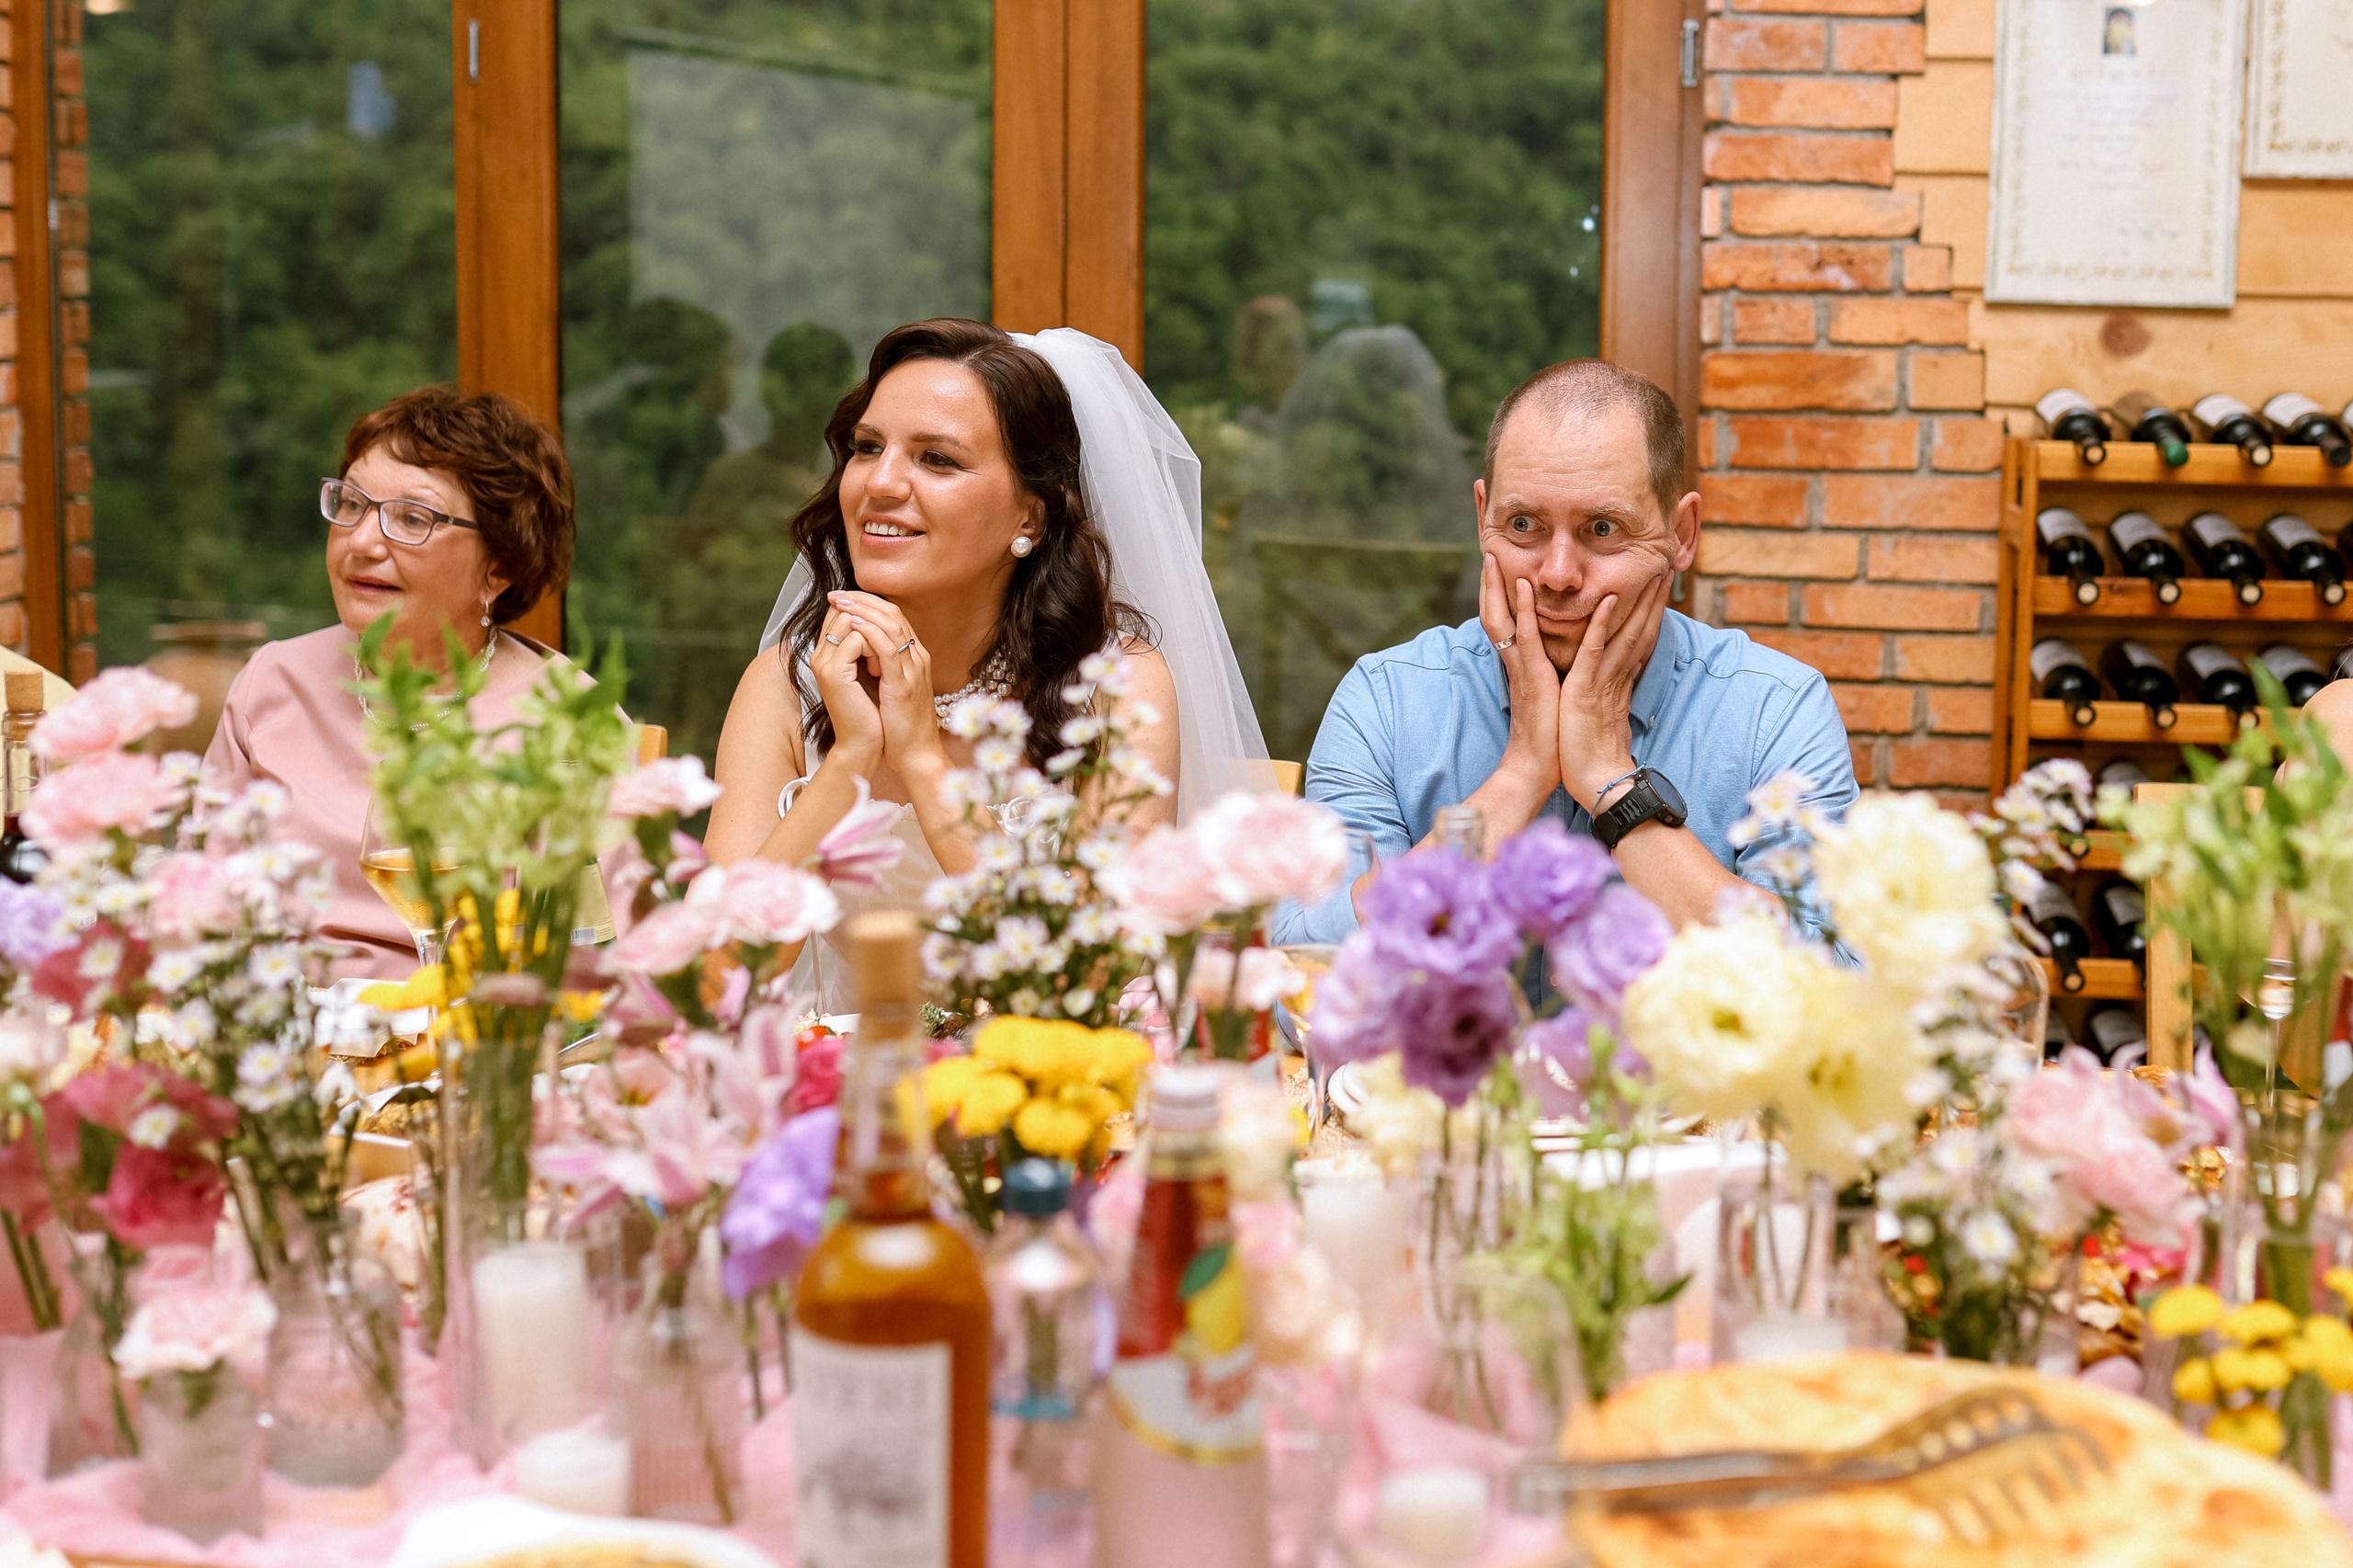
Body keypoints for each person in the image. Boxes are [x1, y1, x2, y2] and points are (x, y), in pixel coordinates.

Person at [707, 319, 1268, 1008]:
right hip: (838, 1089)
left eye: (936, 459)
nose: (879, 483)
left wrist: (920, 757)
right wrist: (848, 763)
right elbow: (714, 983)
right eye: (867, 448)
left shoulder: (1116, 691)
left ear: (1029, 520)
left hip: (1038, 1087)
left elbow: (1079, 979)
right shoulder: (784, 685)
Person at [1273, 358, 1857, 949]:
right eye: (1523, 524)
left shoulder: (1774, 712)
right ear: (1482, 519)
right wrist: (1520, 775)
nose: (1557, 575)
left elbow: (1834, 991)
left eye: (1602, 529)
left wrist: (1612, 779)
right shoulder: (1387, 701)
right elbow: (1300, 978)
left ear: (1681, 535)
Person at [206, 386, 583, 980]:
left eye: (413, 518)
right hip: (281, 1042)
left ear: (500, 567)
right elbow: (197, 912)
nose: (361, 542)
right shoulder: (274, 682)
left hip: (473, 1050)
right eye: (352, 505)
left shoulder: (567, 722)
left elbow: (588, 972)